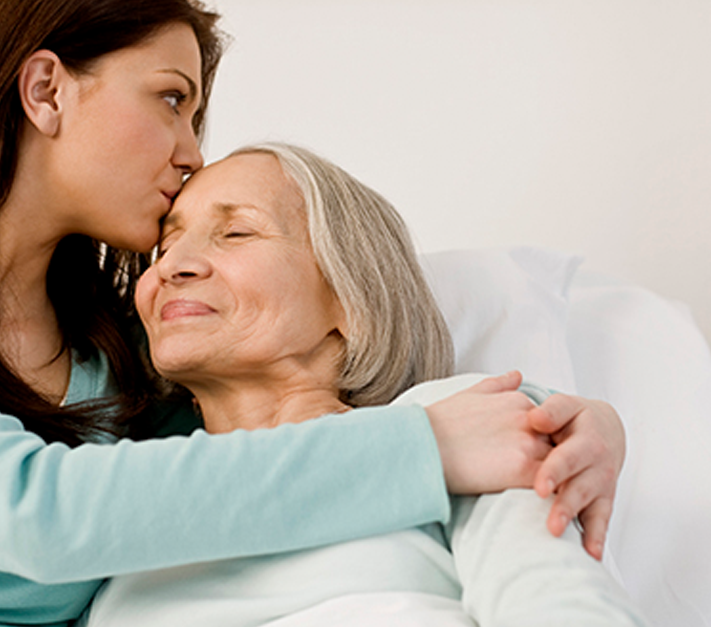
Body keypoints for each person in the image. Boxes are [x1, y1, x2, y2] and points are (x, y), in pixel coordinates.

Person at [0, 0, 622, 627]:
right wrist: (432, 445)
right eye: (171, 99)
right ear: (46, 91)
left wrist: (563, 421)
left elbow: (284, 424)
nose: (190, 152)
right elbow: (31, 511)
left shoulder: (127, 380)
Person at [83, 143, 647, 627]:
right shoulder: (129, 498)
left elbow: (555, 601)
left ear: (351, 298)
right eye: (162, 248)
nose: (172, 265)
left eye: (235, 231)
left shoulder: (452, 423)